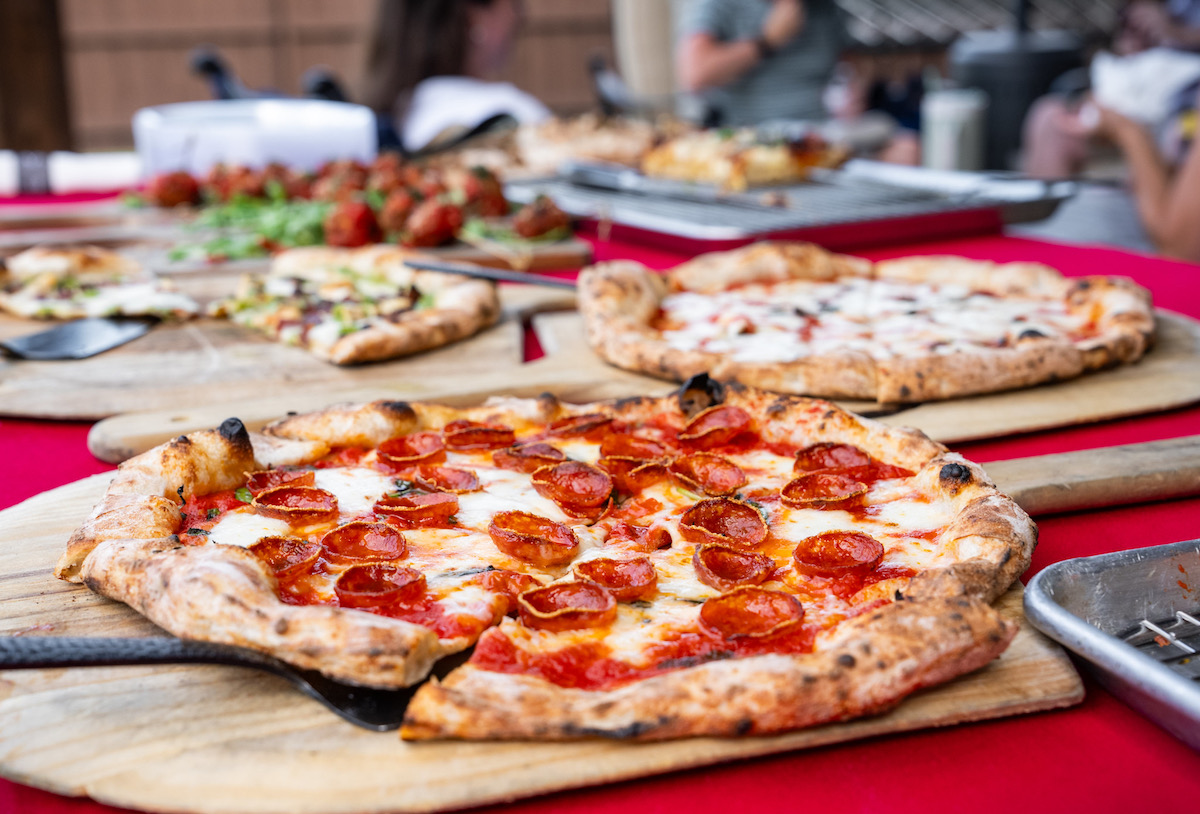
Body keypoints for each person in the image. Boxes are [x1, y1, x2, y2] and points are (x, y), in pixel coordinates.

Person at [360, 0, 550, 154]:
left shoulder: (394, 114)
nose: (521, 16)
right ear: (474, 14)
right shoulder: (514, 111)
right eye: (515, 3)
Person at [675, 0, 850, 126]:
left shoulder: (825, 7)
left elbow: (851, 59)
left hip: (827, 132)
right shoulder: (719, 5)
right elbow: (695, 74)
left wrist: (858, 83)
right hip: (750, 136)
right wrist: (766, 42)